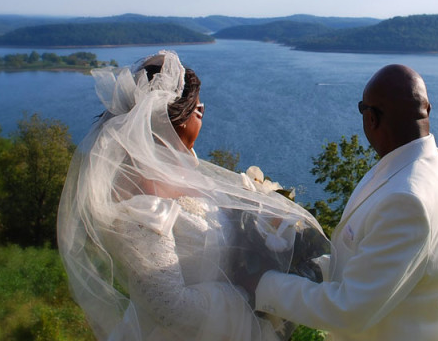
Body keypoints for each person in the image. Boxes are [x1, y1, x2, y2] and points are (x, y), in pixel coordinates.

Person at [57, 50, 328, 341]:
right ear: (173, 118)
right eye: (198, 109)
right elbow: (168, 307)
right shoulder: (141, 201)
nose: (203, 115)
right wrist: (248, 293)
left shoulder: (183, 171)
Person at [253, 64, 438, 341]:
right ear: (427, 109)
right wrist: (307, 267)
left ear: (371, 118)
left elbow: (349, 310)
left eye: (362, 109)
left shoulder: (407, 201)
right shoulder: (424, 168)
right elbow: (371, 262)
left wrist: (264, 284)